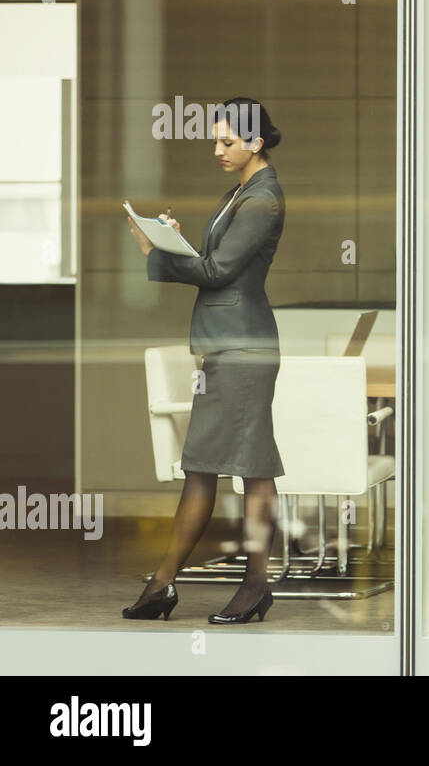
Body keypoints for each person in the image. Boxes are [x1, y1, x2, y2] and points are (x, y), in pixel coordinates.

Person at [123, 97, 287, 626]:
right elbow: (217, 263)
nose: (217, 149)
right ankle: (194, 584)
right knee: (235, 469)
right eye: (214, 140)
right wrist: (174, 241)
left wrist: (158, 253)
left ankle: (173, 584)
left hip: (241, 349)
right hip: (229, 346)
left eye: (227, 141)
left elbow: (217, 271)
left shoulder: (262, 198)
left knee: (222, 470)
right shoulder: (241, 192)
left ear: (255, 142)